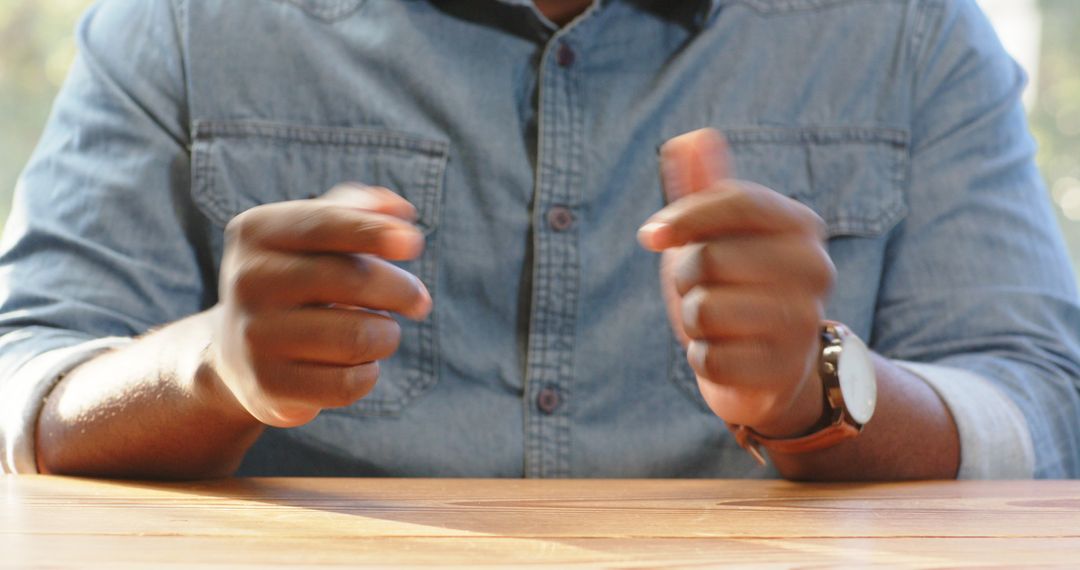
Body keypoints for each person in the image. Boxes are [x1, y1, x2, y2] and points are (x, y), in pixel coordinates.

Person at [1, 0, 1078, 481]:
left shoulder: (906, 28)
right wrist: (208, 371)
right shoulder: (184, 19)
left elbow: (1041, 412)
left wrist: (820, 394)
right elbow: (25, 379)